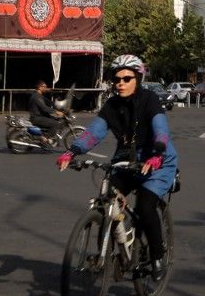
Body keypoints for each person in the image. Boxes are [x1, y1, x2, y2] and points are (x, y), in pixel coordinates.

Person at [57, 54, 178, 282]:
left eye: (126, 78)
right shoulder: (111, 106)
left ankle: (157, 258)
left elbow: (161, 129)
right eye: (117, 79)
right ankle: (116, 245)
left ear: (138, 79)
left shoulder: (149, 99)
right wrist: (72, 151)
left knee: (145, 204)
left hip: (157, 159)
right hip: (126, 161)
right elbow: (94, 132)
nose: (120, 83)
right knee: (106, 197)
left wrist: (158, 153)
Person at [28, 79, 64, 147]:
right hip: (37, 118)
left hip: (39, 116)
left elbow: (49, 102)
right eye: (44, 87)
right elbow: (44, 108)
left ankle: (49, 137)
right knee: (55, 124)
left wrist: (58, 106)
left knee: (55, 119)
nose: (46, 88)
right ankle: (45, 138)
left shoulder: (39, 95)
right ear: (39, 87)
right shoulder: (36, 97)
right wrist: (56, 112)